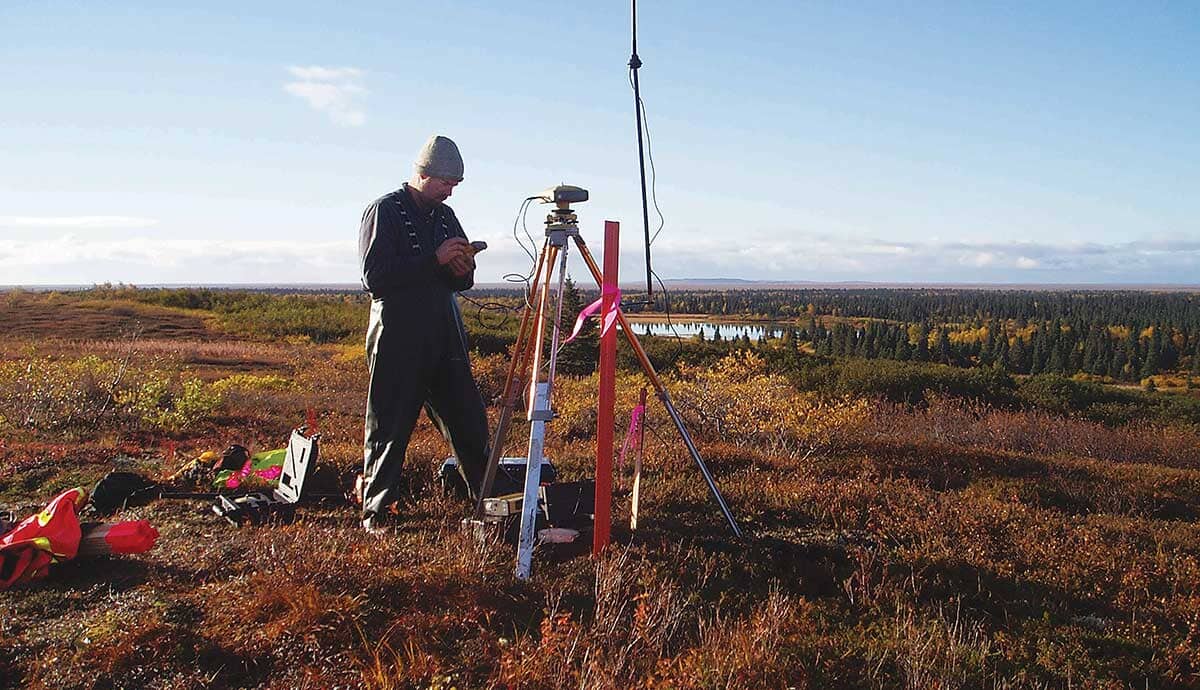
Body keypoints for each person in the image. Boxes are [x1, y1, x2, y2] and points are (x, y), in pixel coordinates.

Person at [357, 135, 489, 533]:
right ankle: (376, 511)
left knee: (469, 421)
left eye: (454, 185)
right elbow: (374, 278)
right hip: (397, 333)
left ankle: (486, 502)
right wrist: (434, 259)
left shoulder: (445, 216)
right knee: (389, 425)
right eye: (444, 183)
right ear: (422, 174)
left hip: (444, 333)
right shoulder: (384, 210)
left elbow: (459, 283)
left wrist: (463, 266)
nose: (449, 191)